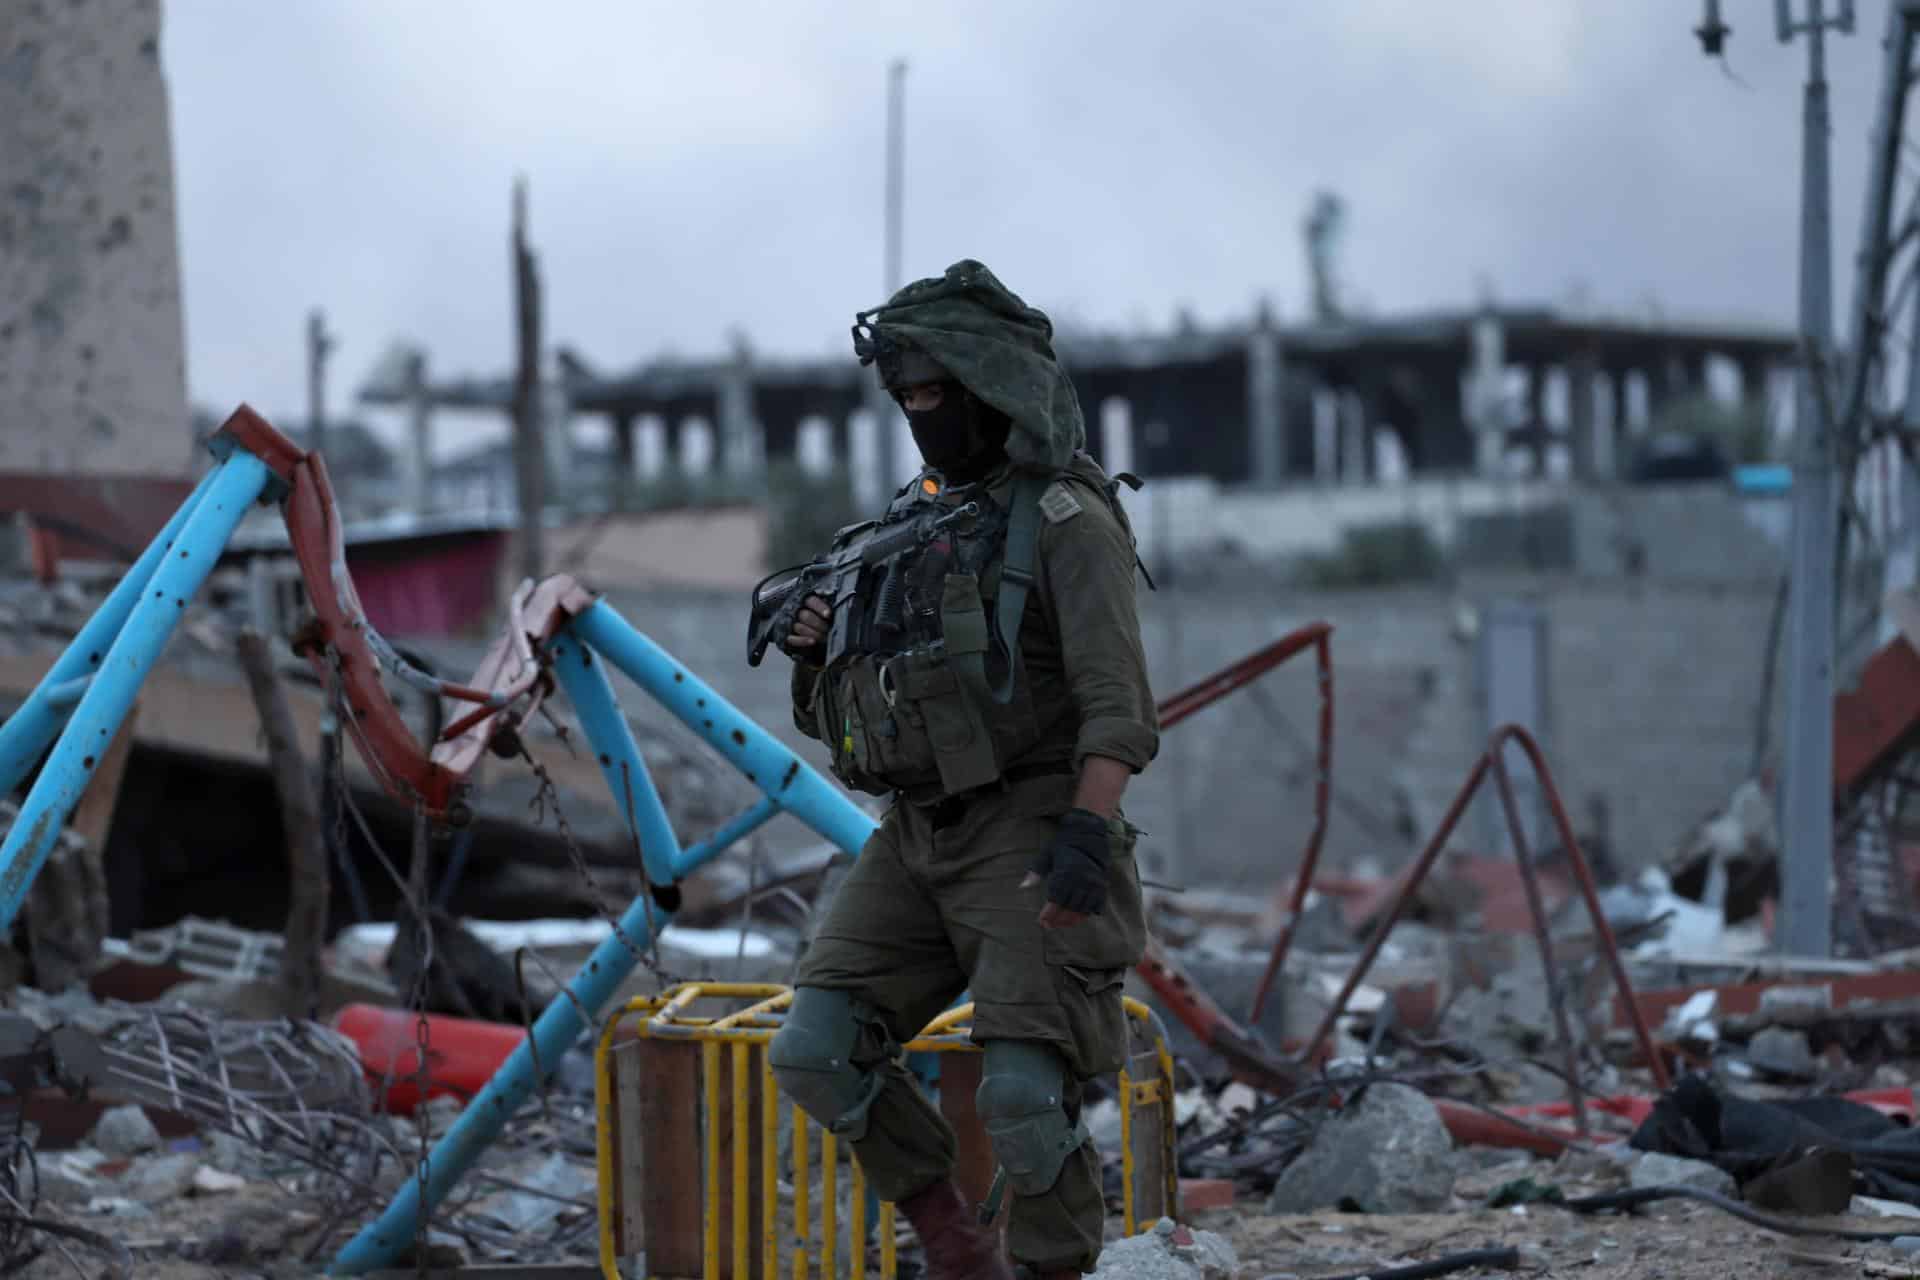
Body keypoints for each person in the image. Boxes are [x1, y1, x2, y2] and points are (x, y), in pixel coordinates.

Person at [763, 260, 1158, 1279]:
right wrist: (814, 649)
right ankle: (951, 1236)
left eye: (936, 395)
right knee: (815, 1044)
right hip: (915, 831)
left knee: (1025, 1100)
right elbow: (848, 709)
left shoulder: (1067, 517)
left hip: (1030, 823)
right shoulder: (915, 521)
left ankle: (1053, 1267)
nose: (920, 415)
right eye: (906, 399)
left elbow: (1120, 702)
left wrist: (1087, 829)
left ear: (990, 389)